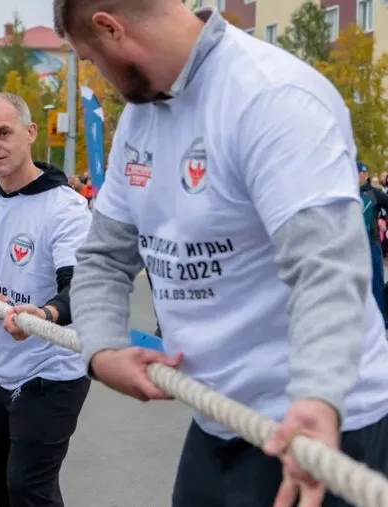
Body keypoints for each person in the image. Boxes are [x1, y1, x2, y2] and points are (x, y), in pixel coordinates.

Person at [54, 3, 388, 507]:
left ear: (110, 28)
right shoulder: (141, 119)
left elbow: (326, 270)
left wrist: (318, 399)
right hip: (217, 419)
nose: (99, 76)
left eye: (90, 59)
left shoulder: (271, 96)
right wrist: (102, 350)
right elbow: (103, 257)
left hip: (318, 425)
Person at [0, 92, 91, 507]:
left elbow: (81, 287)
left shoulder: (66, 208)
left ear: (30, 133)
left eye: (3, 133)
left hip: (54, 370)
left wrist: (45, 314)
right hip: (5, 367)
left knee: (28, 486)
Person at [358, 161, 388, 328]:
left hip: (372, 244)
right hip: (353, 247)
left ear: (366, 175)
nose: (357, 176)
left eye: (360, 173)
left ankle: (382, 322)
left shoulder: (375, 194)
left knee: (377, 285)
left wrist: (383, 221)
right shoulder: (348, 195)